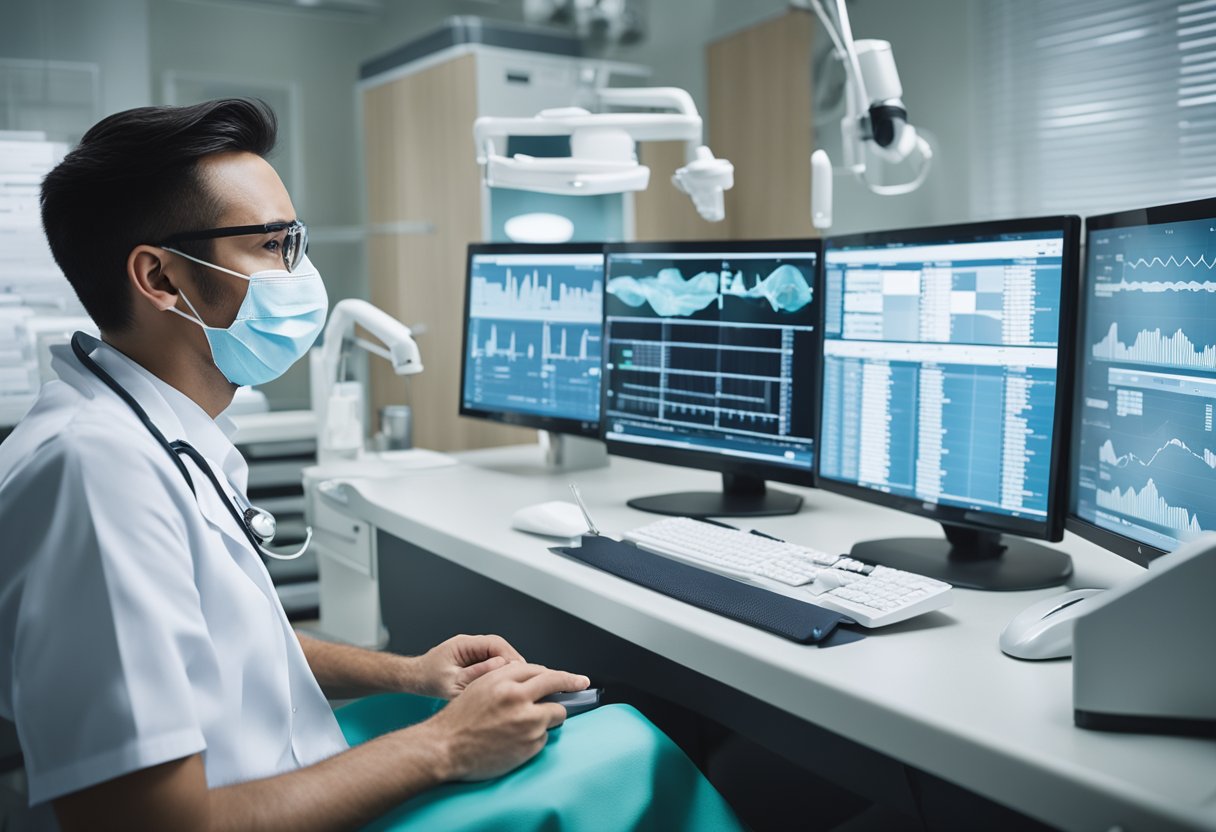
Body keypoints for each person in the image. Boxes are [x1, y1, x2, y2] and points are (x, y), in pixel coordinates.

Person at [0, 100, 742, 831]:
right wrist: (445, 745)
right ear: (160, 279)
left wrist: (410, 673)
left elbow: (217, 635)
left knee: (578, 721)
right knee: (630, 746)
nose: (301, 272)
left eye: (300, 242)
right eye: (274, 245)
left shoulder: (149, 431)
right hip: (258, 802)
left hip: (280, 762)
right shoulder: (95, 476)